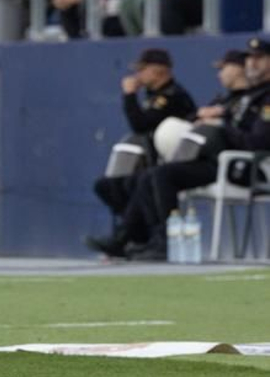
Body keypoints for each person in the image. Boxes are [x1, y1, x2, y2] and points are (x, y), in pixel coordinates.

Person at [88, 39, 270, 260]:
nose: (251, 63)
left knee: (162, 175)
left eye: (258, 58)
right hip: (210, 158)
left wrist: (222, 125)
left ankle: (158, 242)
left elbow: (258, 141)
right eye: (249, 58)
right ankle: (143, 239)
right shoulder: (234, 98)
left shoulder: (264, 98)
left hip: (238, 166)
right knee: (149, 176)